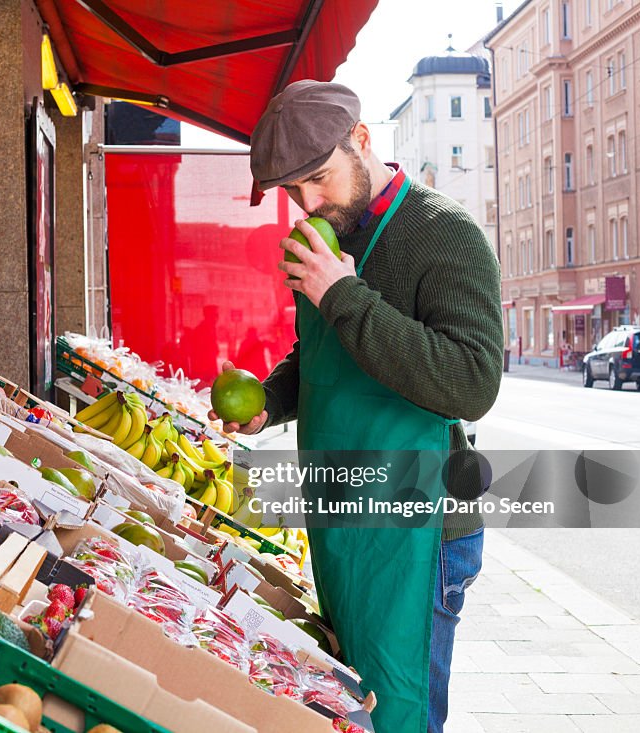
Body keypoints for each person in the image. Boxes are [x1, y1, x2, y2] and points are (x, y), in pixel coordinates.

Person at [210, 81, 504, 733]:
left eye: (319, 177)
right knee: (355, 712)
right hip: (341, 520)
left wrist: (342, 292)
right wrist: (270, 402)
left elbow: (473, 381)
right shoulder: (321, 236)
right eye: (293, 190)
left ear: (363, 141)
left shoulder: (445, 236)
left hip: (417, 531)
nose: (309, 203)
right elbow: (321, 352)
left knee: (398, 713)